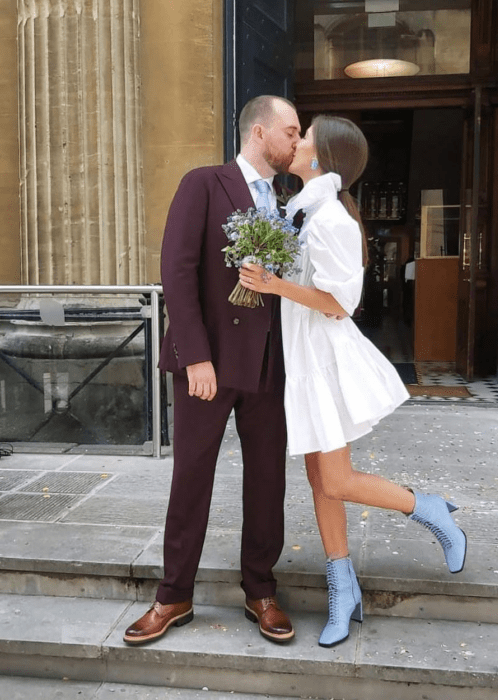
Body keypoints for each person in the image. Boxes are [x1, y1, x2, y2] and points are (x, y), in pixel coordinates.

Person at [239, 115, 467, 648]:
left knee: (336, 480)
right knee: (321, 482)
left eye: (305, 137)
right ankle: (344, 591)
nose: (295, 142)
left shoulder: (330, 221)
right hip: (302, 358)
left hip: (324, 361)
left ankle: (427, 508)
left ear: (323, 158)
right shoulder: (302, 209)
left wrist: (273, 285)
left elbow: (341, 304)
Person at [123, 95, 301, 646]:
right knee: (192, 478)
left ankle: (261, 590)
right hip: (209, 364)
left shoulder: (287, 203)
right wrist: (196, 355)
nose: (297, 142)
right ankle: (172, 596)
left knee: (268, 482)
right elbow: (177, 270)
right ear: (259, 131)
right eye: (291, 132)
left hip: (268, 364)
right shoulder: (203, 183)